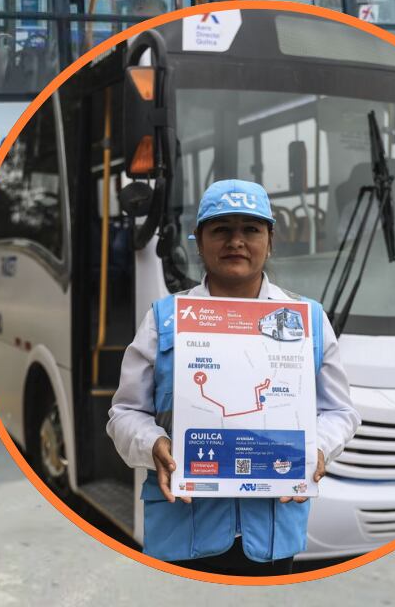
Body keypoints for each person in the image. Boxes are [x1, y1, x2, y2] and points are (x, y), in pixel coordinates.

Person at [106, 179, 360, 576]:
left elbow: (340, 413)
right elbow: (124, 413)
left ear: (270, 240)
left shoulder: (306, 320)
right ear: (200, 240)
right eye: (222, 229)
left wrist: (319, 449)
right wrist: (153, 442)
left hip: (273, 537)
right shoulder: (166, 319)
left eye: (251, 229)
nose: (236, 241)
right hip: (181, 533)